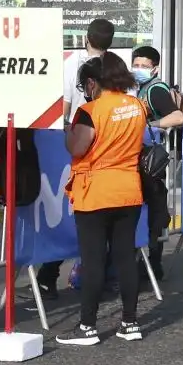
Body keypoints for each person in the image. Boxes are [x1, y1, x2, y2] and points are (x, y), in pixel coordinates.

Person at [55, 53, 147, 345]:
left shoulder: (89, 111)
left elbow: (78, 147)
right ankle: (130, 322)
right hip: (128, 188)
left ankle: (87, 327)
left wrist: (67, 132)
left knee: (93, 261)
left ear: (93, 82)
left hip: (94, 191)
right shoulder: (136, 106)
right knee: (125, 258)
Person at [42, 16, 116, 296]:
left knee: (71, 213)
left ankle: (51, 275)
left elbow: (65, 103)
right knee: (101, 215)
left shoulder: (73, 62)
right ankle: (99, 273)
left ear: (86, 37)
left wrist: (60, 130)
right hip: (107, 143)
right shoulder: (114, 65)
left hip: (79, 140)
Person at [131, 45, 183, 275]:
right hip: (142, 159)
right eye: (136, 65)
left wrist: (149, 127)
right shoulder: (139, 88)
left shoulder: (154, 90)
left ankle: (153, 262)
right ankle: (147, 261)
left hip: (151, 162)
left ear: (155, 69)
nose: (139, 69)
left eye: (144, 66)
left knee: (155, 210)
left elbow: (177, 116)